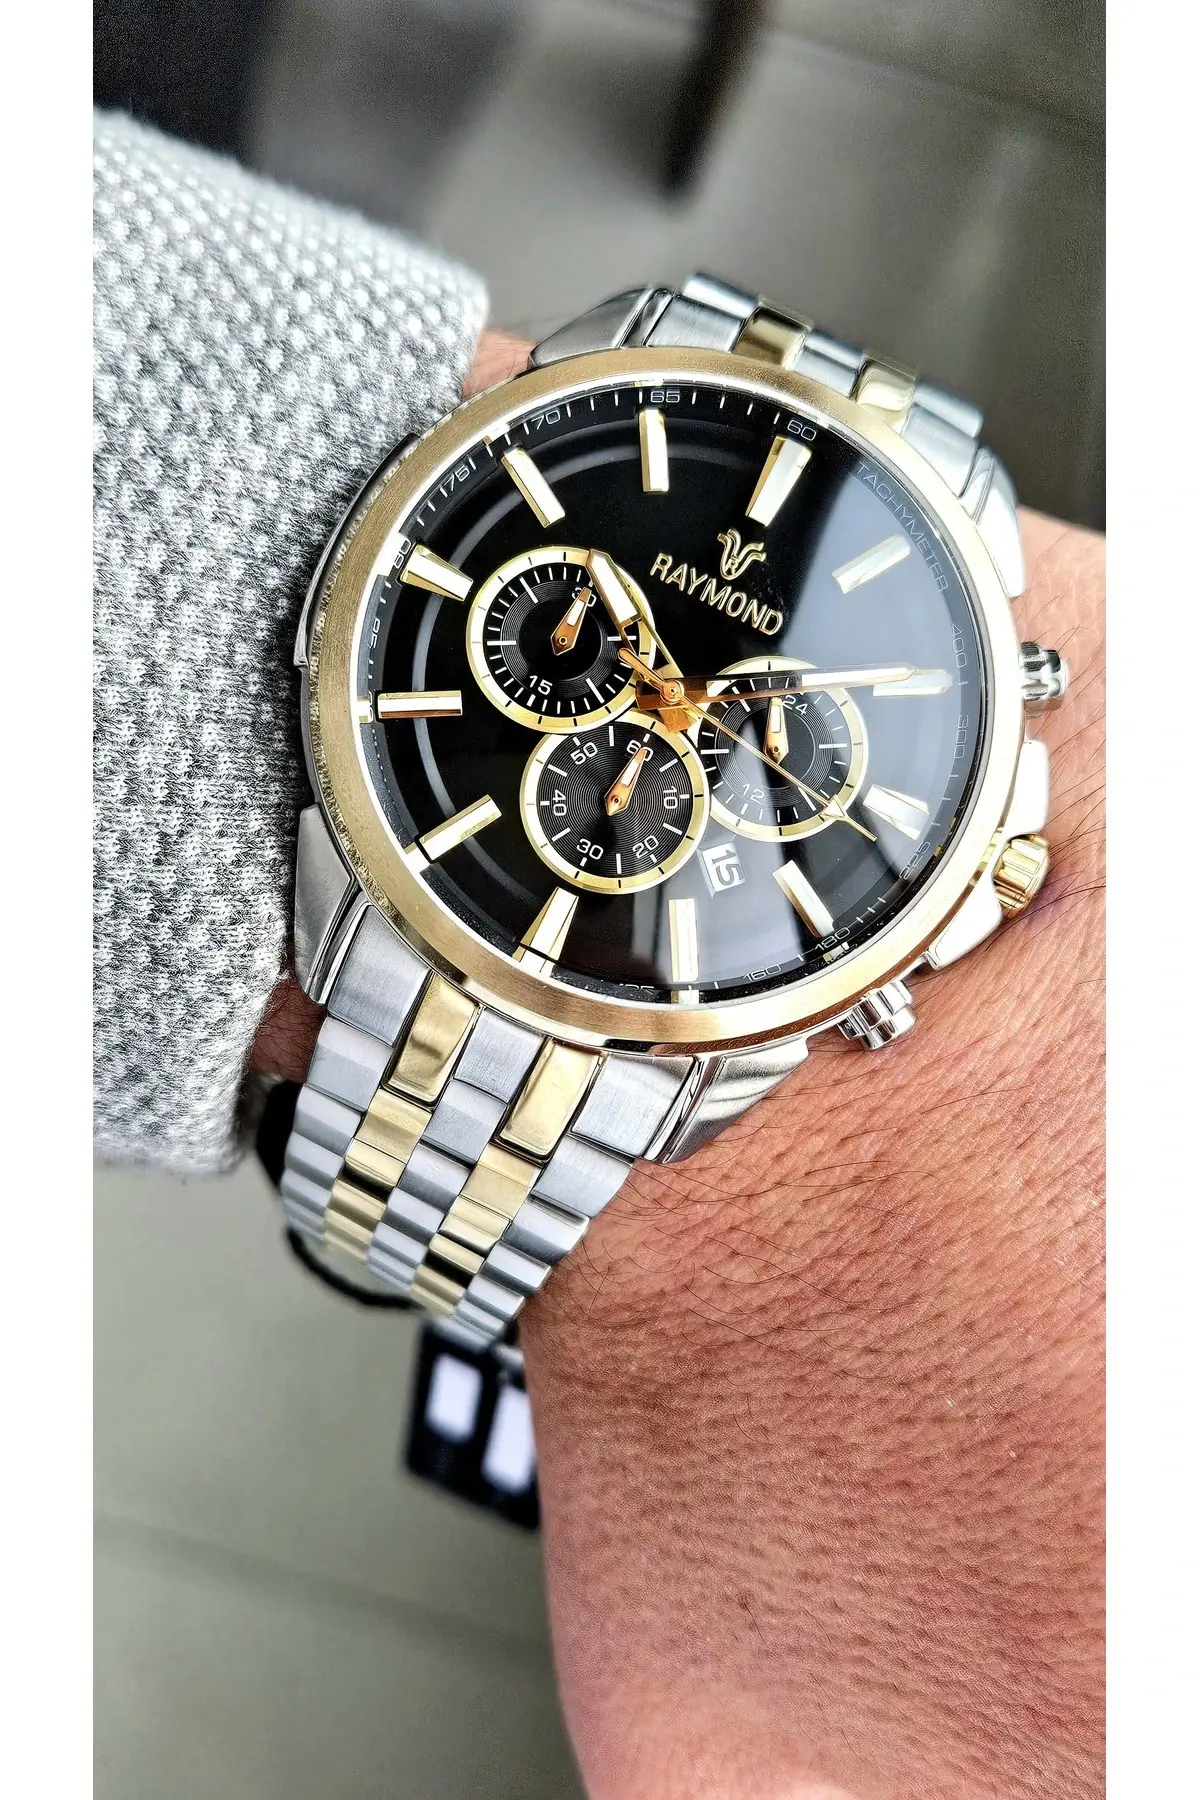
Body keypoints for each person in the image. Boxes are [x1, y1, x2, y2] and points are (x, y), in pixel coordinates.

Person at [95, 112, 1104, 1799]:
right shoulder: (640, 434)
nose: (684, 704)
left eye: (744, 730)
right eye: (655, 679)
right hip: (424, 832)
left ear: (980, 865)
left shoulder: (908, 851)